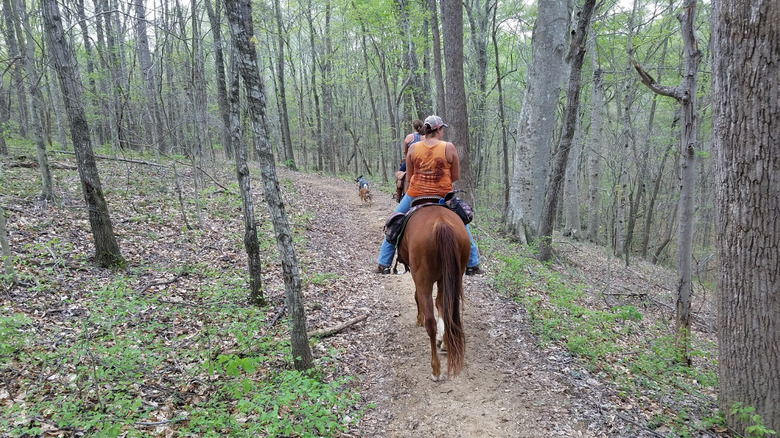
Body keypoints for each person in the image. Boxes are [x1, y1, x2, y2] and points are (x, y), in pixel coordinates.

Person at [377, 115, 485, 276]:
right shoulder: (449, 147)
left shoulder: (413, 148)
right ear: (439, 130)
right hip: (443, 195)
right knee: (463, 222)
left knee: (394, 224)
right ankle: (472, 264)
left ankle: (384, 263)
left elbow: (411, 176)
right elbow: (455, 176)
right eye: (442, 129)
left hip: (416, 194)